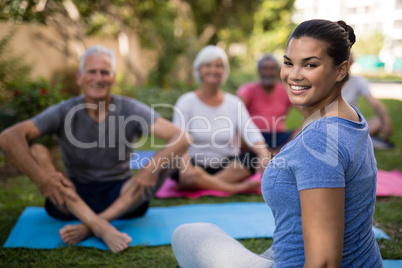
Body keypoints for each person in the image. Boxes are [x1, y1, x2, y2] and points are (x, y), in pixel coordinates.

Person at [171, 19, 382, 267]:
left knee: (188, 233)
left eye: (310, 64)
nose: (293, 75)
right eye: (288, 62)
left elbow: (324, 262)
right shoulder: (352, 117)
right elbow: (179, 137)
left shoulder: (318, 143)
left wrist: (261, 153)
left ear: (341, 70)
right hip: (363, 261)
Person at [0, 45, 190, 253]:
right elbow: (9, 137)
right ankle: (101, 226)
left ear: (113, 78)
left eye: (104, 72)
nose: (98, 78)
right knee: (38, 150)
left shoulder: (130, 108)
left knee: (170, 158)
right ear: (80, 77)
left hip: (123, 197)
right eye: (92, 71)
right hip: (72, 198)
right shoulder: (64, 110)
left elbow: (182, 137)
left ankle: (91, 224)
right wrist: (41, 179)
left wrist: (151, 167)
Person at [171, 45, 270, 193]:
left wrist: (263, 154)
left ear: (224, 71)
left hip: (228, 166)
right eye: (208, 65)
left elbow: (251, 132)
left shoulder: (234, 103)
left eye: (219, 66)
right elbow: (177, 139)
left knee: (253, 157)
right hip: (194, 165)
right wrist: (186, 167)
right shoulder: (185, 101)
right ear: (199, 69)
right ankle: (234, 187)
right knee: (170, 163)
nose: (213, 70)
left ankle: (200, 184)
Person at [237, 54, 300, 153]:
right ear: (259, 71)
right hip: (255, 136)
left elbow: (308, 110)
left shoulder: (286, 90)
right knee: (239, 135)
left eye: (272, 69)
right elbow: (236, 112)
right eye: (264, 68)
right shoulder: (248, 89)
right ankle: (267, 154)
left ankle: (276, 154)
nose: (268, 72)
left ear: (278, 71)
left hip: (279, 137)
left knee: (302, 132)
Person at [343, 53, 393, 148]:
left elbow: (374, 103)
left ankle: (358, 140)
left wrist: (386, 121)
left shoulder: (357, 81)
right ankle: (363, 140)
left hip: (353, 125)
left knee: (379, 120)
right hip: (334, 124)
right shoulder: (328, 81)